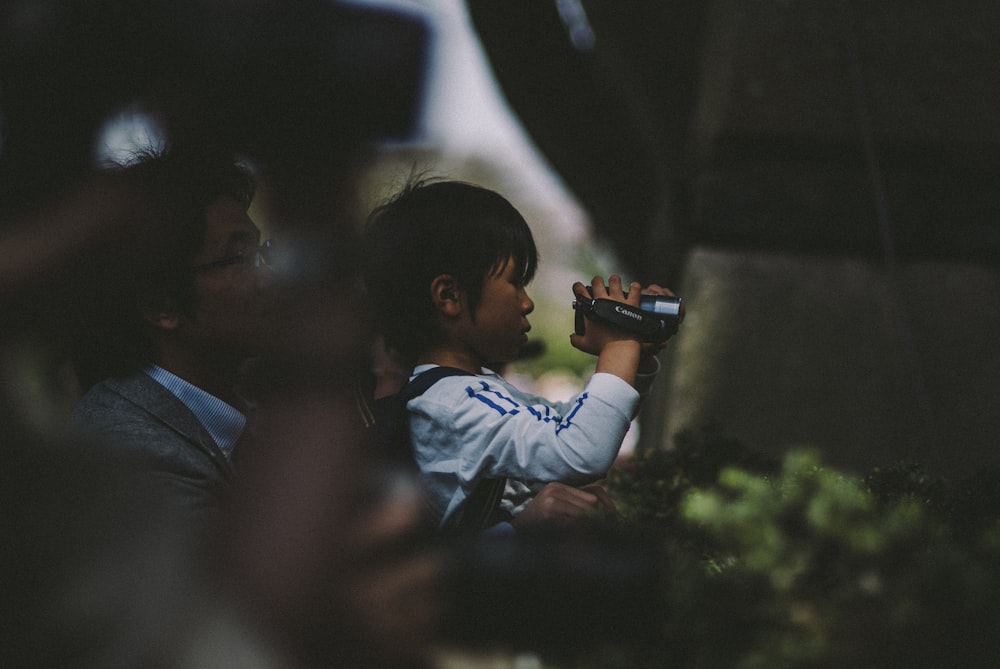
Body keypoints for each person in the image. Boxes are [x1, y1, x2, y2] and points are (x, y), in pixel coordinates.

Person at [363, 179, 676, 532]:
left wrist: (635, 358)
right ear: (449, 296)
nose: (527, 303)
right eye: (516, 282)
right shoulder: (451, 404)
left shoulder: (471, 391)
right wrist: (620, 344)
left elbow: (571, 424)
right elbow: (581, 450)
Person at [67, 148, 275, 528]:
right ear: (162, 306)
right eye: (241, 259)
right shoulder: (126, 451)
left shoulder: (248, 400)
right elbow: (247, 583)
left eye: (262, 253)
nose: (268, 279)